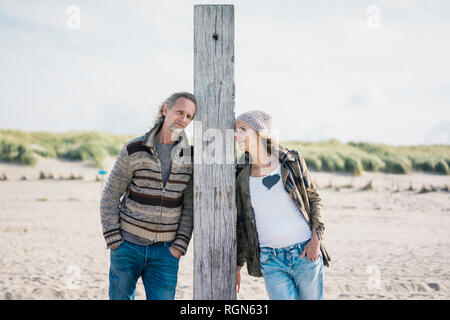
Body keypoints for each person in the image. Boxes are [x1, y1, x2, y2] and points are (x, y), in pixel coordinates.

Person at [100, 92, 196, 300]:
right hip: (126, 247)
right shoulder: (134, 149)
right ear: (165, 110)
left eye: (189, 116)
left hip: (165, 253)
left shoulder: (190, 156)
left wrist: (179, 247)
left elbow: (189, 206)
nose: (184, 119)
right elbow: (110, 194)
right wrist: (114, 239)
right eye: (180, 112)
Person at [234, 110, 331, 300]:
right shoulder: (240, 173)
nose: (237, 136)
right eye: (236, 131)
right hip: (270, 259)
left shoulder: (290, 161)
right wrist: (238, 265)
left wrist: (316, 239)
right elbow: (243, 222)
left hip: (305, 252)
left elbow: (314, 199)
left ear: (260, 132)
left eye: (243, 129)